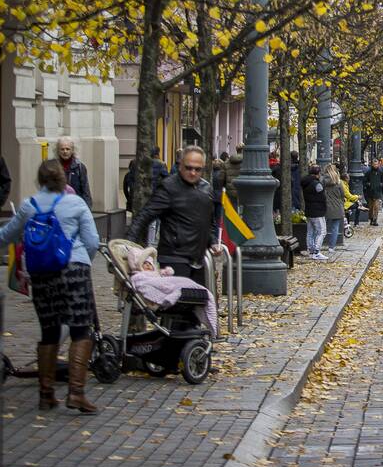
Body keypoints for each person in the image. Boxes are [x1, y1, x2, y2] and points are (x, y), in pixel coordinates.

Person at [0, 159, 102, 413]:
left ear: (40, 180)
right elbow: (92, 241)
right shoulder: (76, 203)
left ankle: (46, 394)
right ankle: (76, 393)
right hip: (74, 271)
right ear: (63, 179)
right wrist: (82, 261)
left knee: (49, 330)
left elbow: (8, 235)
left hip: (42, 274)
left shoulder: (29, 206)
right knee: (80, 330)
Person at [127, 146, 220, 287]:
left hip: (199, 258)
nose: (193, 173)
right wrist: (128, 243)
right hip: (174, 258)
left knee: (200, 302)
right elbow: (145, 215)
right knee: (176, 303)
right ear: (180, 165)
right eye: (188, 168)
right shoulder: (168, 187)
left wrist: (213, 241)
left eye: (197, 169)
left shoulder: (206, 188)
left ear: (203, 168)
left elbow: (210, 221)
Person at [300, 165, 328, 260]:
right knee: (322, 231)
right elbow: (322, 196)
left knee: (310, 232)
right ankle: (316, 251)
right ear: (318, 174)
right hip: (318, 210)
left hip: (309, 209)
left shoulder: (305, 182)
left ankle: (311, 250)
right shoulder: (316, 184)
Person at [56, 136, 92, 208]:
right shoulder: (54, 167)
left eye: (67, 149)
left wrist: (87, 209)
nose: (65, 151)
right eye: (62, 149)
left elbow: (85, 191)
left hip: (76, 206)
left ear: (72, 150)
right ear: (58, 151)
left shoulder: (80, 167)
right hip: (58, 206)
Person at [322, 165, 347, 254]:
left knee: (322, 227)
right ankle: (331, 247)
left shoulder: (323, 181)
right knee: (335, 228)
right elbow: (342, 194)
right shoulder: (338, 182)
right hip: (337, 207)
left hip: (325, 206)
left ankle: (319, 244)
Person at [364, 159, 383, 227]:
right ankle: (371, 218)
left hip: (377, 192)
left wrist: (381, 185)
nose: (376, 165)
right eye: (374, 164)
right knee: (371, 206)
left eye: (377, 164)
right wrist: (368, 184)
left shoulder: (381, 172)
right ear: (372, 164)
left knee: (376, 206)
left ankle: (375, 219)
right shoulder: (368, 172)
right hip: (370, 192)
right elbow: (364, 181)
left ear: (378, 164)